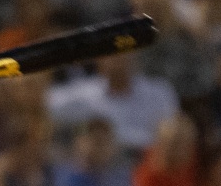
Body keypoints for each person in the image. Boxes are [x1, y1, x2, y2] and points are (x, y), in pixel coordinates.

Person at [46, 54, 178, 151]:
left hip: (147, 160)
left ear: (135, 57)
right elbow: (46, 102)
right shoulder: (85, 94)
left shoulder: (159, 92)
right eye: (112, 56)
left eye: (123, 55)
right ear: (100, 60)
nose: (118, 61)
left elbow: (171, 132)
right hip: (102, 167)